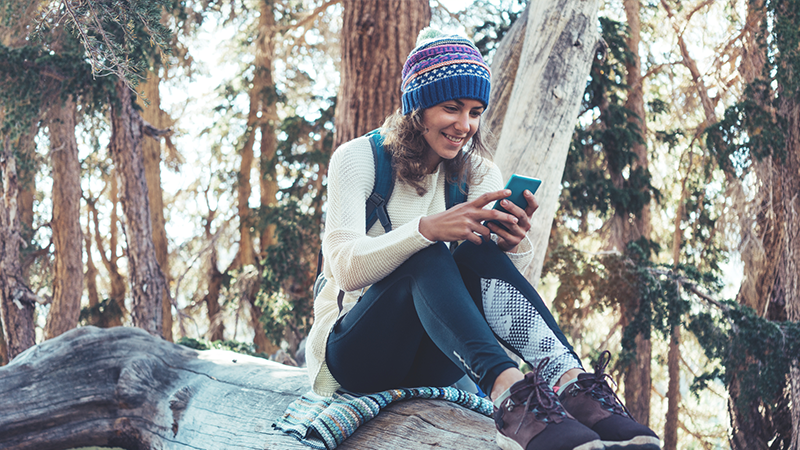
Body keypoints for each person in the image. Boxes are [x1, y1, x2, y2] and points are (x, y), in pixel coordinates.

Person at [305, 28, 661, 450]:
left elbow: (477, 288)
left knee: (477, 254)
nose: (464, 126)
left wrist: (506, 244)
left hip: (437, 358)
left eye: (475, 112)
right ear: (416, 107)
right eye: (451, 108)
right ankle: (513, 400)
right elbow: (344, 268)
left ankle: (572, 385)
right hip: (358, 355)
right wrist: (426, 229)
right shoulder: (358, 158)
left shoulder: (477, 172)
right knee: (426, 253)